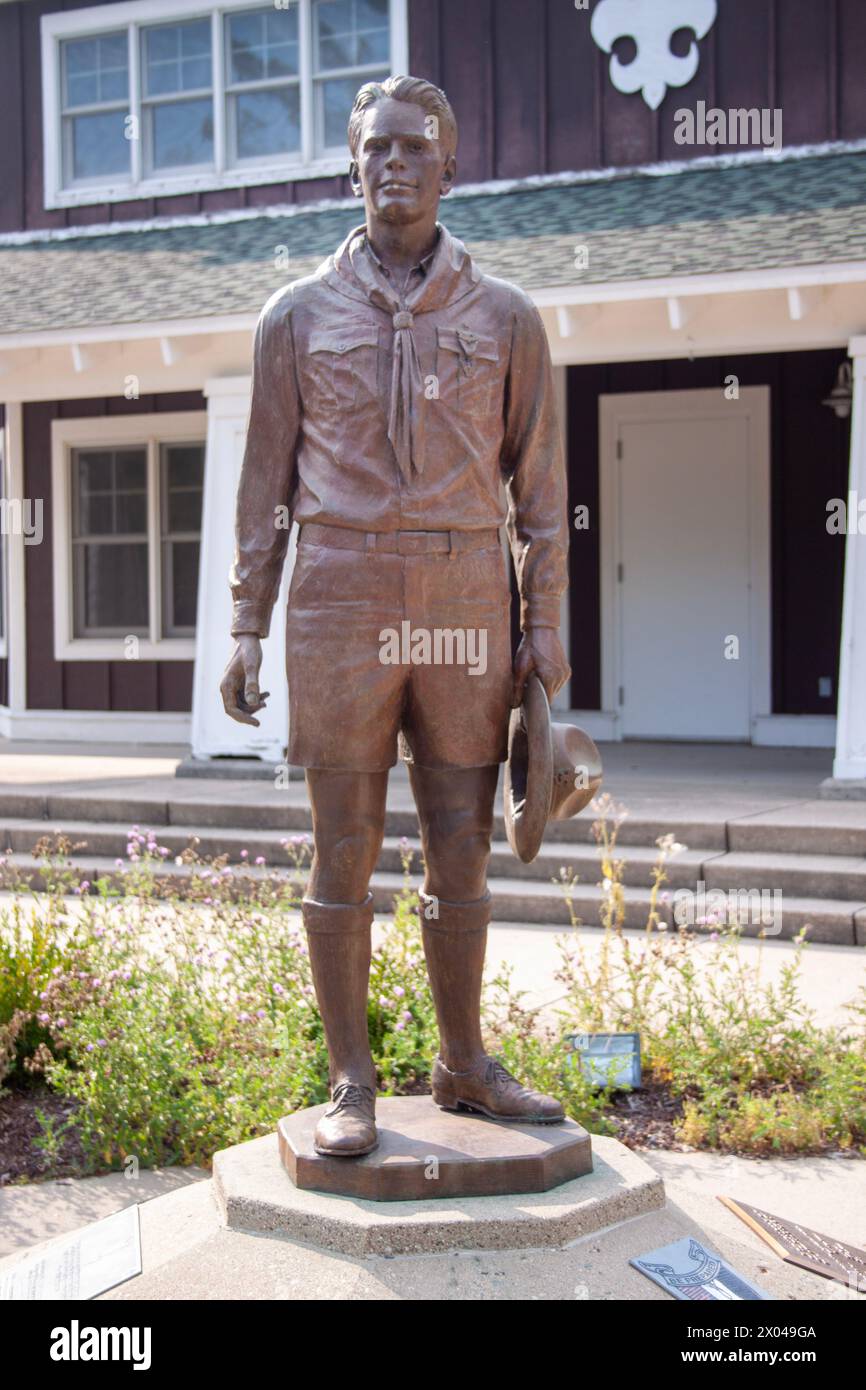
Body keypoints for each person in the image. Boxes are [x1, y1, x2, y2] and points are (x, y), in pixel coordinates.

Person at [222, 76, 571, 1157]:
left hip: (466, 592)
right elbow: (261, 483)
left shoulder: (506, 317)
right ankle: (348, 1079)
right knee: (344, 843)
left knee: (460, 840)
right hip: (336, 594)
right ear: (351, 165)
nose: (392, 164)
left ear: (449, 166)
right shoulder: (294, 318)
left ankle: (462, 1065)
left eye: (413, 147)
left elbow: (543, 496)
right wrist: (245, 617)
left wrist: (542, 636)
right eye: (373, 148)